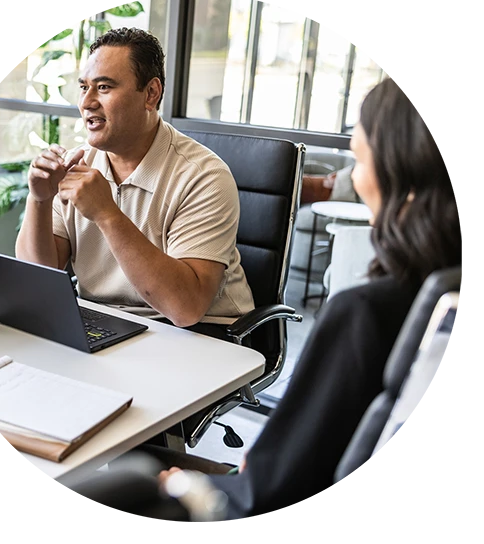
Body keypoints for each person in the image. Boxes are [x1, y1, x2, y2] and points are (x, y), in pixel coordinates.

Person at [148, 76, 463, 522]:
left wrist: (177, 483)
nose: (354, 176)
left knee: (126, 480)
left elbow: (263, 501)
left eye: (360, 157)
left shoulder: (366, 315)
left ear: (402, 174)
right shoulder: (456, 295)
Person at [15, 27, 254, 330]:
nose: (87, 102)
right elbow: (39, 277)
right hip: (102, 323)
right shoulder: (77, 164)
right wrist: (39, 199)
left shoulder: (204, 176)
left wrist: (106, 213)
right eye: (84, 87)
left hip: (200, 335)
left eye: (103, 87)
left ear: (150, 94)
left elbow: (186, 309)